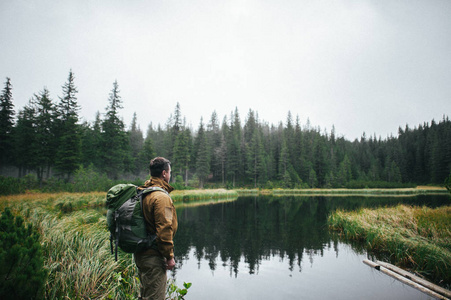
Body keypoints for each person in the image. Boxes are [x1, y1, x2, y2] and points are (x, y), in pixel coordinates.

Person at [134, 157, 178, 300]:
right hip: (153, 256)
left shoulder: (144, 191)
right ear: (164, 173)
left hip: (141, 254)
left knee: (145, 295)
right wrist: (169, 256)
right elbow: (164, 229)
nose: (170, 175)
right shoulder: (161, 197)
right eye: (169, 172)